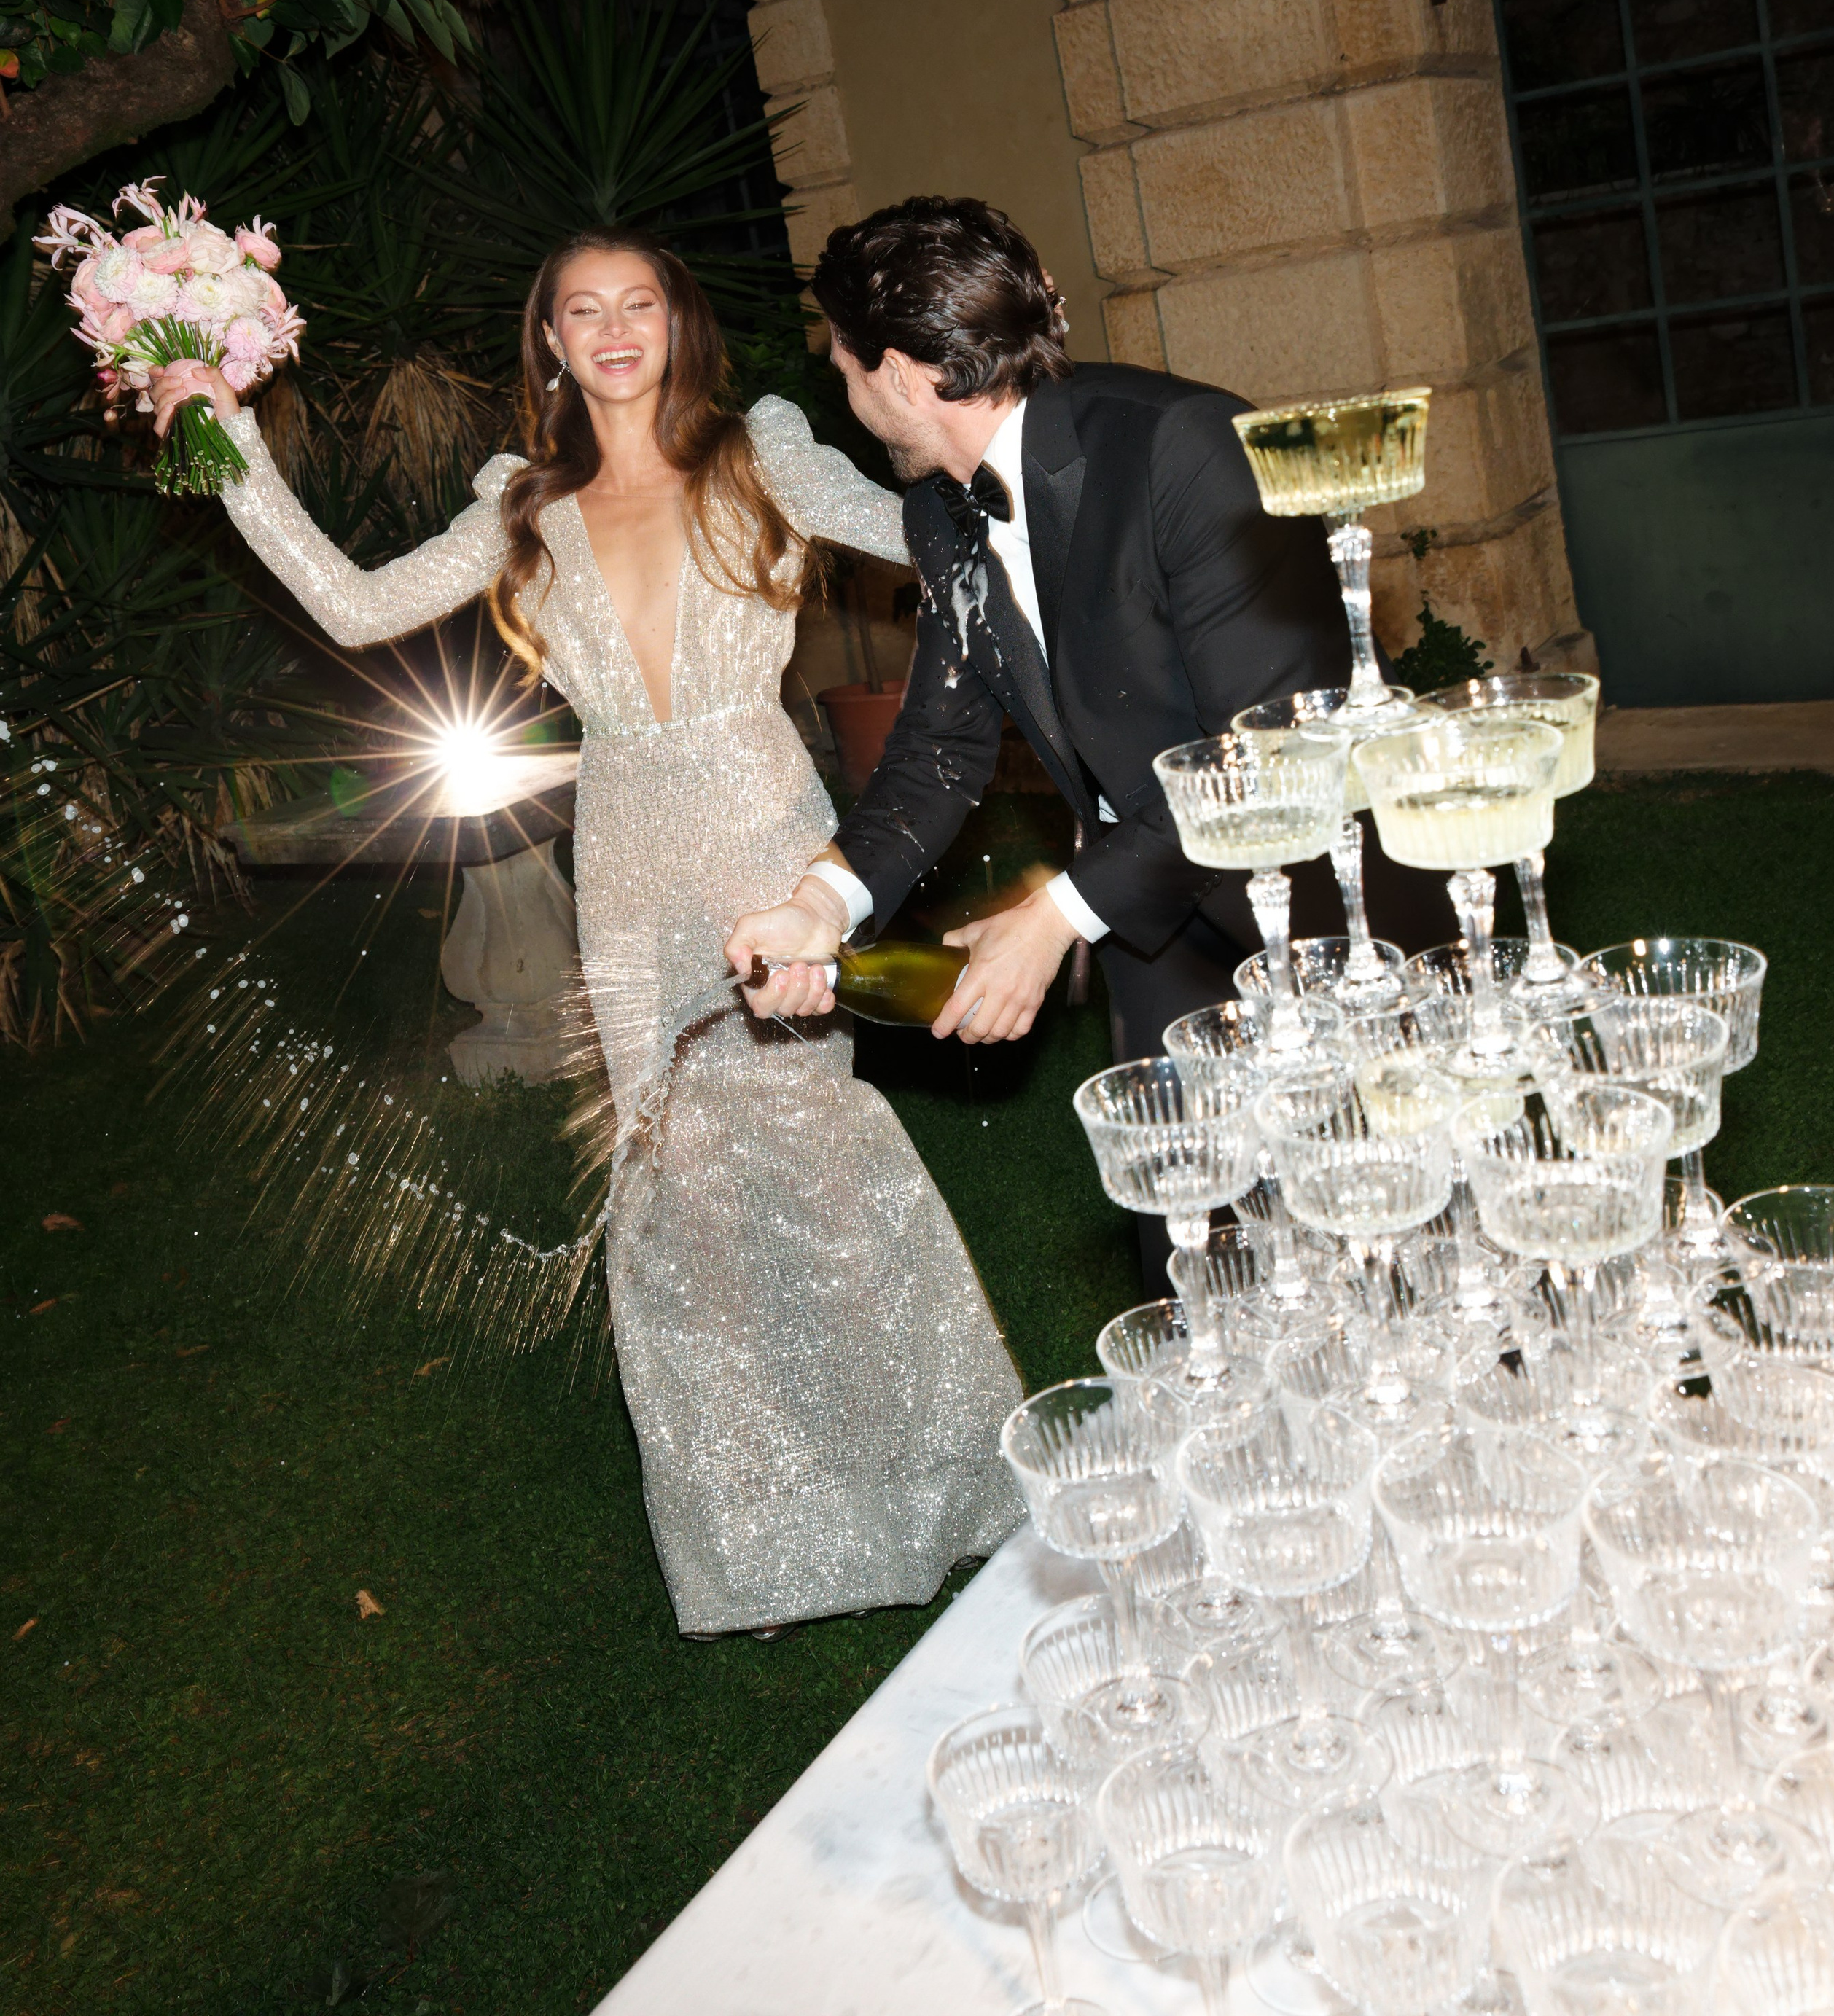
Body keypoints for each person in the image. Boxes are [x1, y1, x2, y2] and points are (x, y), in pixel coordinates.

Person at [150, 229, 1021, 1637]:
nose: (614, 332)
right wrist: (226, 438)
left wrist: (1042, 515)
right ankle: (764, 1540)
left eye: (640, 306)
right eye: (582, 312)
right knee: (677, 1178)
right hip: (622, 851)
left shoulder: (768, 453)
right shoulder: (522, 501)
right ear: (549, 339)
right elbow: (357, 607)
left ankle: (942, 1484)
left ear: (677, 324)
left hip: (765, 831)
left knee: (819, 1152)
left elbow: (930, 532)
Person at [726, 199, 1450, 1283]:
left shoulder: (1189, 449)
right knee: (1203, 1259)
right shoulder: (940, 509)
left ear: (904, 373)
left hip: (1329, 910)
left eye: (843, 363)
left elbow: (1269, 752)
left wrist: (1054, 915)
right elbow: (938, 744)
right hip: (1157, 933)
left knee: (1392, 1246)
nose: (844, 388)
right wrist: (821, 904)